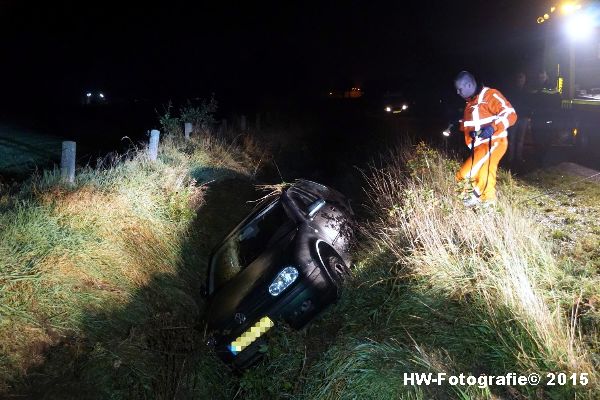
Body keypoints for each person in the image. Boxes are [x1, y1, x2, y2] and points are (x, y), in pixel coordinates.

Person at [454, 71, 518, 207]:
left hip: (494, 142)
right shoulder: (469, 104)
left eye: (460, 89)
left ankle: (477, 198)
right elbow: (472, 126)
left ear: (469, 84)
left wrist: (493, 128)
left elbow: (511, 114)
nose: (458, 93)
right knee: (484, 173)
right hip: (479, 147)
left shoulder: (490, 95)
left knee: (464, 175)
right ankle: (486, 202)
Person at [505, 71, 531, 168]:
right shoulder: (511, 91)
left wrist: (529, 117)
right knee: (511, 139)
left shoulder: (527, 91)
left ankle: (518, 158)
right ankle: (510, 158)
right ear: (516, 79)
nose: (520, 79)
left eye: (522, 77)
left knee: (521, 140)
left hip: (523, 119)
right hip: (513, 119)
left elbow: (529, 105)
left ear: (525, 79)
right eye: (519, 77)